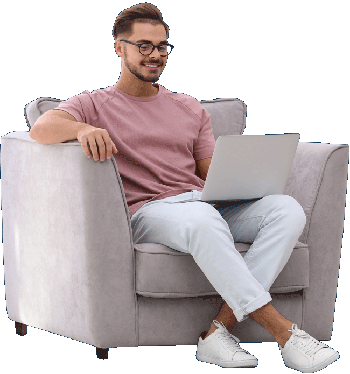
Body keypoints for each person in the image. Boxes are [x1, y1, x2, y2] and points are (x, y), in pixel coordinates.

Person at [29, 3, 339, 372]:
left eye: (162, 46)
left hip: (200, 201)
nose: (155, 54)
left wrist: (247, 180)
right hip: (149, 211)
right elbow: (41, 127)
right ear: (119, 47)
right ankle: (286, 333)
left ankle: (217, 333)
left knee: (286, 209)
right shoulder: (94, 103)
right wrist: (81, 129)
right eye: (144, 45)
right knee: (201, 220)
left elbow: (209, 173)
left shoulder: (189, 107)